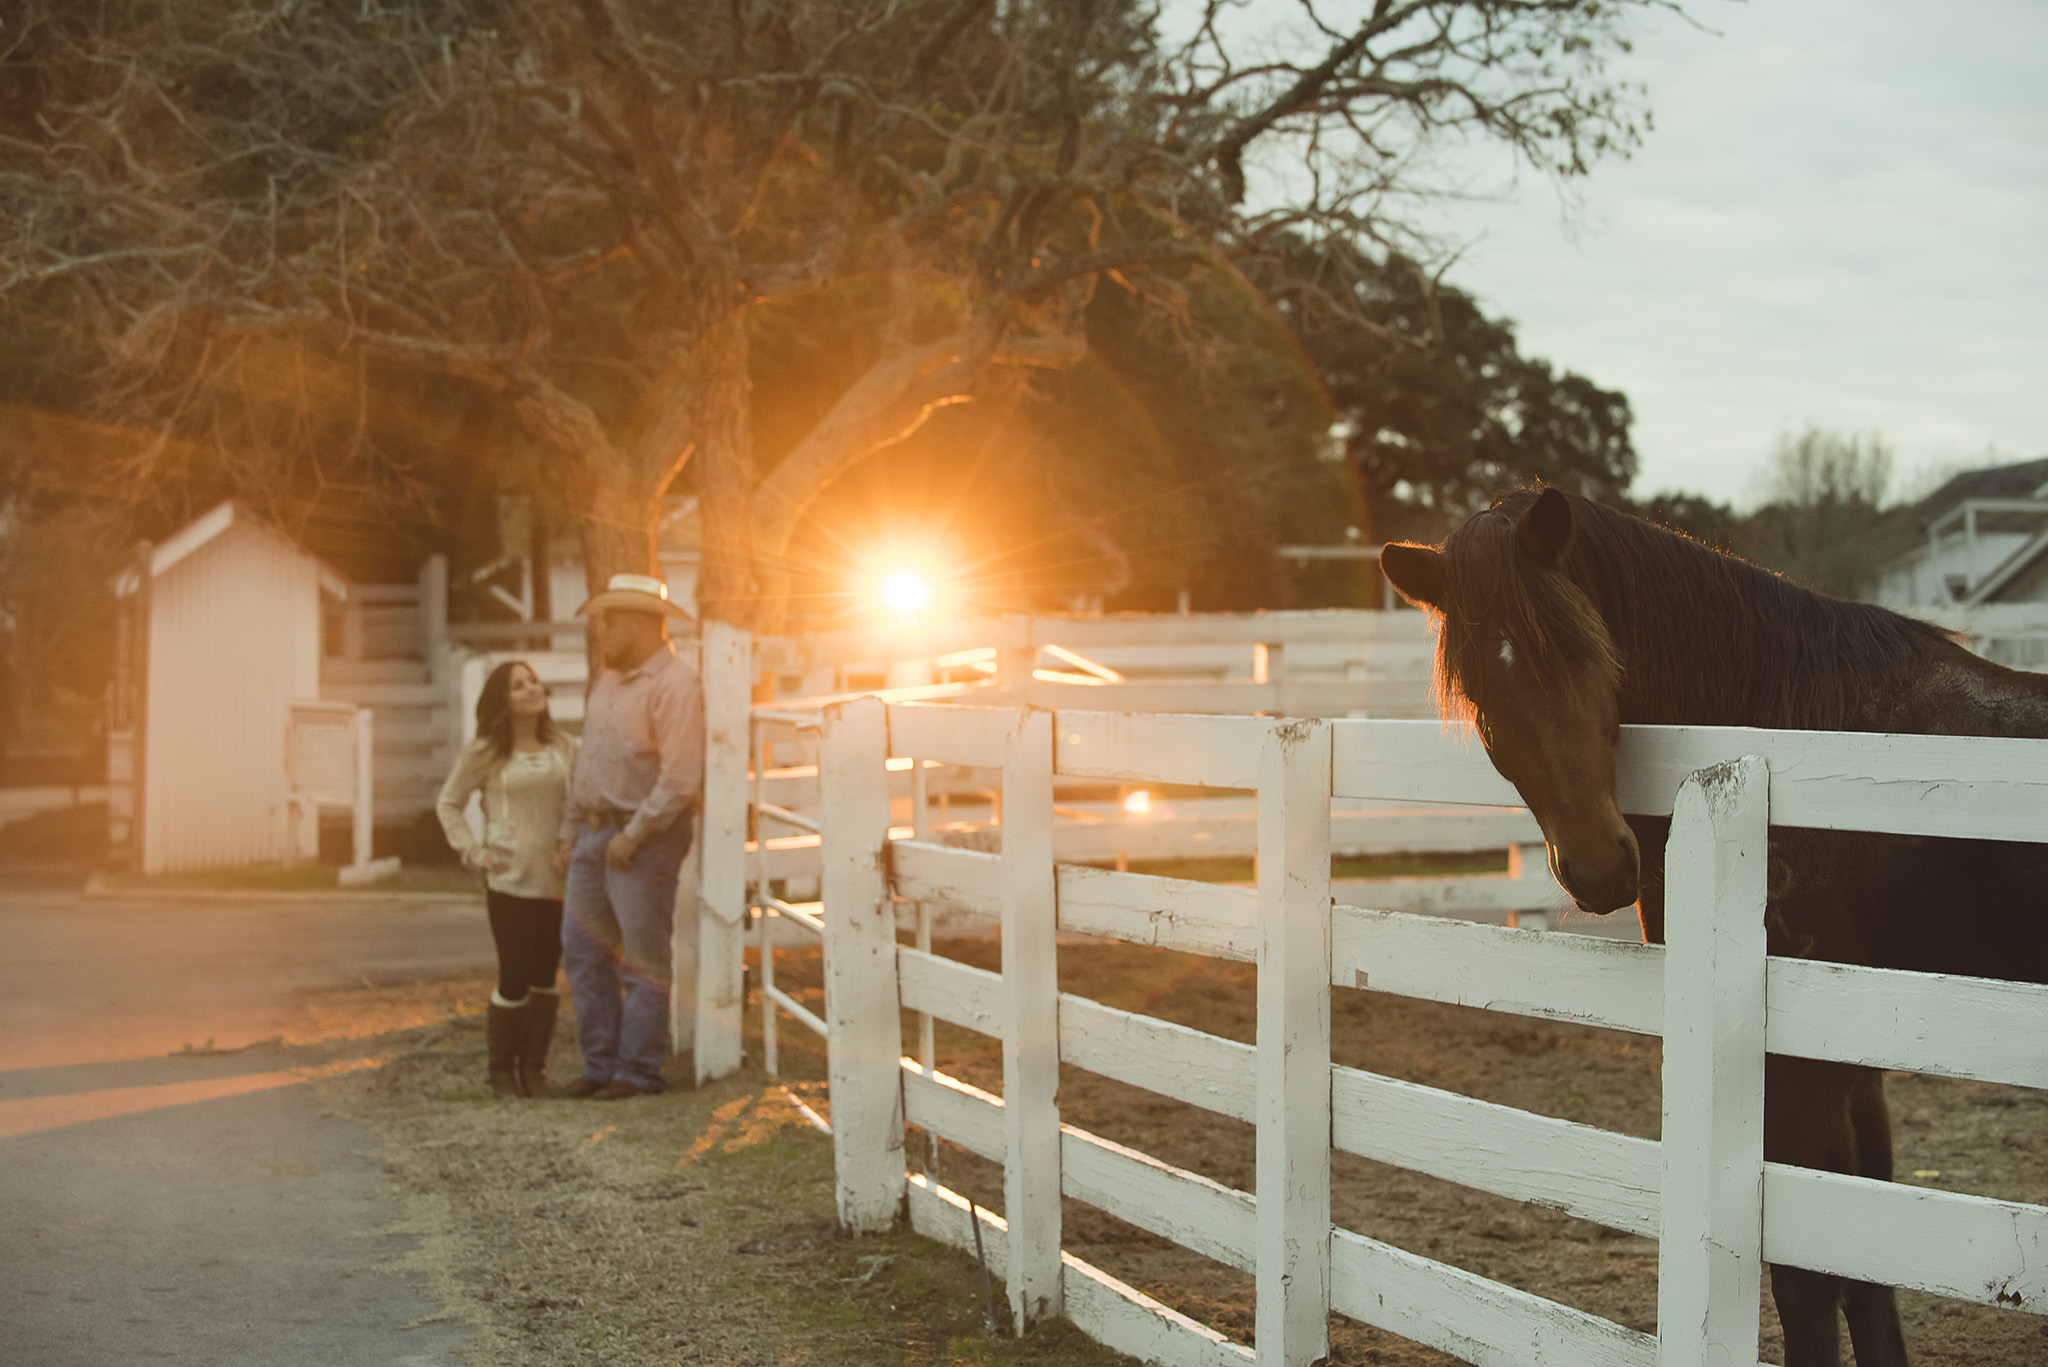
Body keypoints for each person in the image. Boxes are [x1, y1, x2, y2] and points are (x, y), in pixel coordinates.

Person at [552, 572, 703, 1101]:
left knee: (642, 959)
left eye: (611, 620)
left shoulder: (676, 685)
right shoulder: (609, 680)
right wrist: (570, 831)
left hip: (642, 841)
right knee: (581, 953)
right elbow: (588, 762)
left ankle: (637, 1070)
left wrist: (634, 836)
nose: (604, 631)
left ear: (640, 621)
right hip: (596, 834)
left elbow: (681, 775)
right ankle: (600, 1066)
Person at [435, 660, 578, 1098]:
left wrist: (570, 840)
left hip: (555, 881)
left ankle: (534, 1070)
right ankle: (501, 1072)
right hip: (509, 880)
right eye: (518, 686)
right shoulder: (484, 753)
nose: (532, 689)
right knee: (514, 975)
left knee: (544, 976)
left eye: (533, 681)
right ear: (503, 700)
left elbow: (579, 802)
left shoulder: (565, 747)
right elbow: (449, 803)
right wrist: (475, 852)